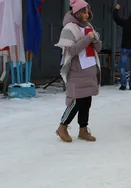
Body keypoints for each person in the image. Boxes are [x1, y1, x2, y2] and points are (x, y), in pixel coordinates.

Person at [55, 0, 101, 143]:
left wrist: (95, 40)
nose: (86, 14)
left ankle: (83, 129)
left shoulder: (89, 26)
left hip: (90, 68)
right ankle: (62, 126)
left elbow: (98, 49)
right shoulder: (68, 28)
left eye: (88, 11)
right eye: (83, 11)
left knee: (87, 100)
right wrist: (88, 39)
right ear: (76, 12)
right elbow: (71, 50)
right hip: (77, 69)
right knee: (76, 100)